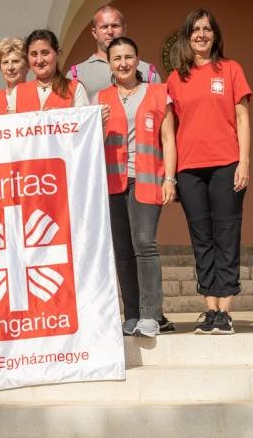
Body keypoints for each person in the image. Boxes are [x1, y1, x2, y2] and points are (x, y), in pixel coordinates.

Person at [166, 9, 251, 335]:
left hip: (226, 164)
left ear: (215, 35)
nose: (201, 35)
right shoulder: (176, 79)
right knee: (201, 238)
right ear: (187, 37)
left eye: (207, 29)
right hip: (189, 170)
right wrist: (171, 175)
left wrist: (244, 162)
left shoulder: (231, 69)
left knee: (226, 236)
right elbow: (169, 131)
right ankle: (211, 309)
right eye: (195, 30)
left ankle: (225, 311)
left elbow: (242, 118)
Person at [94, 36, 176, 337]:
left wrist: (170, 179)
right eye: (116, 58)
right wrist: (97, 123)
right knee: (122, 250)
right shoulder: (101, 98)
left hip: (148, 178)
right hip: (113, 182)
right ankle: (131, 314)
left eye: (128, 57)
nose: (123, 63)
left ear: (138, 60)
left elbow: (168, 138)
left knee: (145, 243)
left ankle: (151, 314)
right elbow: (89, 143)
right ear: (109, 64)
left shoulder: (158, 92)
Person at [66, 5, 159, 99]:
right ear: (94, 33)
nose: (110, 31)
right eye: (104, 27)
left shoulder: (148, 71)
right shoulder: (76, 74)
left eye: (115, 26)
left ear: (124, 29)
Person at [13, 29, 89, 112]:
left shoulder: (75, 88)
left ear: (58, 54)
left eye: (45, 53)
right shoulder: (18, 92)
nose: (39, 60)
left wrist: (61, 115)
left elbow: (86, 119)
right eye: (34, 54)